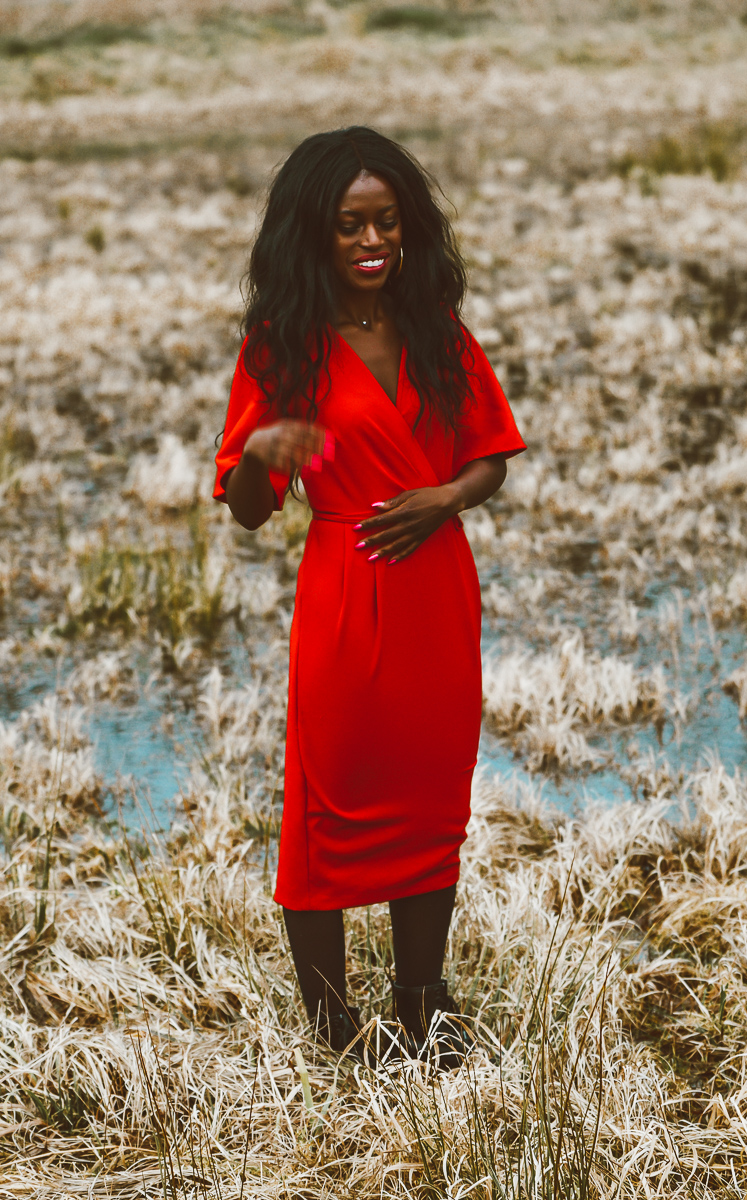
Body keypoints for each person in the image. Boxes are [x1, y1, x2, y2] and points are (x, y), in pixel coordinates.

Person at [214, 126, 525, 1068]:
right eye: (349, 225)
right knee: (330, 804)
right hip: (345, 587)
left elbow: (489, 458)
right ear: (314, 235)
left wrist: (444, 497)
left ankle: (425, 1011)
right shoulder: (282, 347)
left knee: (431, 802)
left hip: (437, 590)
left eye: (386, 221)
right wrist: (263, 458)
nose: (370, 242)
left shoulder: (437, 331)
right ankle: (333, 1029)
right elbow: (247, 510)